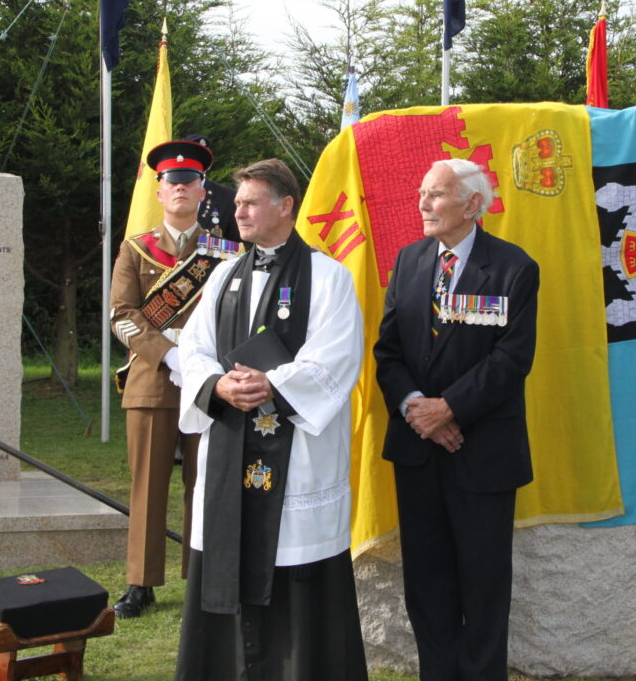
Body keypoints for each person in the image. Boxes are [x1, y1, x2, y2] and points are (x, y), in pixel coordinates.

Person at [175, 158, 368, 681]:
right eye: (237, 203)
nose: (238, 211)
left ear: (285, 206)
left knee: (295, 564)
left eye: (250, 202)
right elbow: (190, 350)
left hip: (298, 457)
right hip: (231, 440)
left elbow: (337, 357)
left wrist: (273, 385)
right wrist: (216, 384)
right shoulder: (221, 276)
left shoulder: (329, 278)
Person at [374, 158, 539, 681]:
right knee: (426, 580)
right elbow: (389, 352)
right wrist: (416, 409)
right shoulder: (409, 261)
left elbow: (511, 359)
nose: (423, 204)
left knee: (484, 583)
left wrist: (451, 409)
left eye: (436, 195)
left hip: (482, 451)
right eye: (422, 193)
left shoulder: (514, 268)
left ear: (472, 204)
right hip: (418, 451)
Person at [108, 139, 223, 618]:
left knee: (206, 481)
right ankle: (140, 582)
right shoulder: (135, 249)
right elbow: (122, 314)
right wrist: (168, 355)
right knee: (148, 485)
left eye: (189, 182)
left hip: (211, 381)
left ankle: (201, 572)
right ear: (159, 191)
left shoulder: (224, 250)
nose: (180, 189)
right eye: (171, 182)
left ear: (202, 191)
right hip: (153, 378)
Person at [182, 134, 241, 243]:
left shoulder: (228, 197)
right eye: (193, 155)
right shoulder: (169, 192)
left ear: (211, 161)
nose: (199, 161)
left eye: (204, 156)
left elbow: (236, 243)